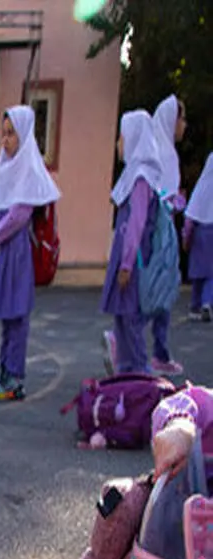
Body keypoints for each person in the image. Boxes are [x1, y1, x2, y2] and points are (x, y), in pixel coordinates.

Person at [0, 106, 60, 402]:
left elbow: (18, 216)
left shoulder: (28, 168)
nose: (6, 140)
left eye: (11, 133)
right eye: (3, 133)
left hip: (16, 252)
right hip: (4, 250)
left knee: (17, 315)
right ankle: (5, 372)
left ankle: (15, 378)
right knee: (7, 315)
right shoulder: (5, 166)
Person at [101, 110, 163, 377]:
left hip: (134, 260)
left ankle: (140, 374)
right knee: (122, 317)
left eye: (122, 137)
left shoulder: (140, 179)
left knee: (131, 317)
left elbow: (137, 222)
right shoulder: (133, 175)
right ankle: (126, 373)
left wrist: (126, 264)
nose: (119, 144)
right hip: (129, 257)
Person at [145, 95, 188, 376]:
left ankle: (160, 350)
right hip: (162, 235)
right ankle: (127, 340)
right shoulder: (166, 155)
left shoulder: (156, 150)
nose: (184, 125)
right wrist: (177, 203)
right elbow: (161, 198)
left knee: (156, 291)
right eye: (182, 119)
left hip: (156, 232)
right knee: (159, 290)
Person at [184, 153, 213, 322]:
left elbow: (190, 218)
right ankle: (207, 302)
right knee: (211, 275)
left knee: (198, 274)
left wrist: (186, 239)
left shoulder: (202, 187)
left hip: (200, 233)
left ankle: (195, 305)